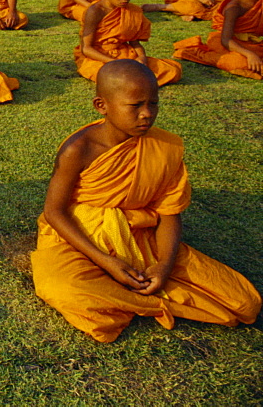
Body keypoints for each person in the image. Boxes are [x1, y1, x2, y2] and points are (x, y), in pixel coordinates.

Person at [30, 59, 260, 343]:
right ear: (101, 105)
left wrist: (164, 266)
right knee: (66, 289)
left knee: (245, 303)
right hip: (81, 238)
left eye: (154, 104)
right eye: (135, 105)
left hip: (142, 236)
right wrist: (107, 262)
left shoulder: (165, 147)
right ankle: (153, 303)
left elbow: (169, 213)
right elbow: (54, 212)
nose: (146, 114)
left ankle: (127, 294)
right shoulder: (79, 148)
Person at [74, 0, 182, 86]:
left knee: (173, 71)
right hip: (99, 58)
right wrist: (116, 63)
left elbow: (135, 43)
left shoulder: (132, 11)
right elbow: (86, 49)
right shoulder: (95, 11)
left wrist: (142, 58)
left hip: (124, 54)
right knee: (119, 77)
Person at [173, 0, 263, 80]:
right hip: (228, 43)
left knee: (255, 60)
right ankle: (202, 54)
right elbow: (226, 40)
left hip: (253, 44)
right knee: (240, 63)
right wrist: (250, 55)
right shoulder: (234, 7)